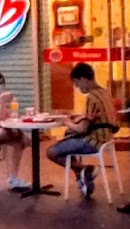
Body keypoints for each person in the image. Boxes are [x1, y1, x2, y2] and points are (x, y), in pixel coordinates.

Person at [43, 68, 113, 199]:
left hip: (93, 141)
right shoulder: (104, 92)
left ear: (83, 80)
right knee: (68, 141)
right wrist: (74, 116)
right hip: (106, 138)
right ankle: (85, 177)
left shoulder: (91, 97)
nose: (76, 87)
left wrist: (65, 121)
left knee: (52, 152)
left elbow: (81, 129)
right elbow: (91, 117)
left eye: (76, 83)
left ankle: (86, 170)